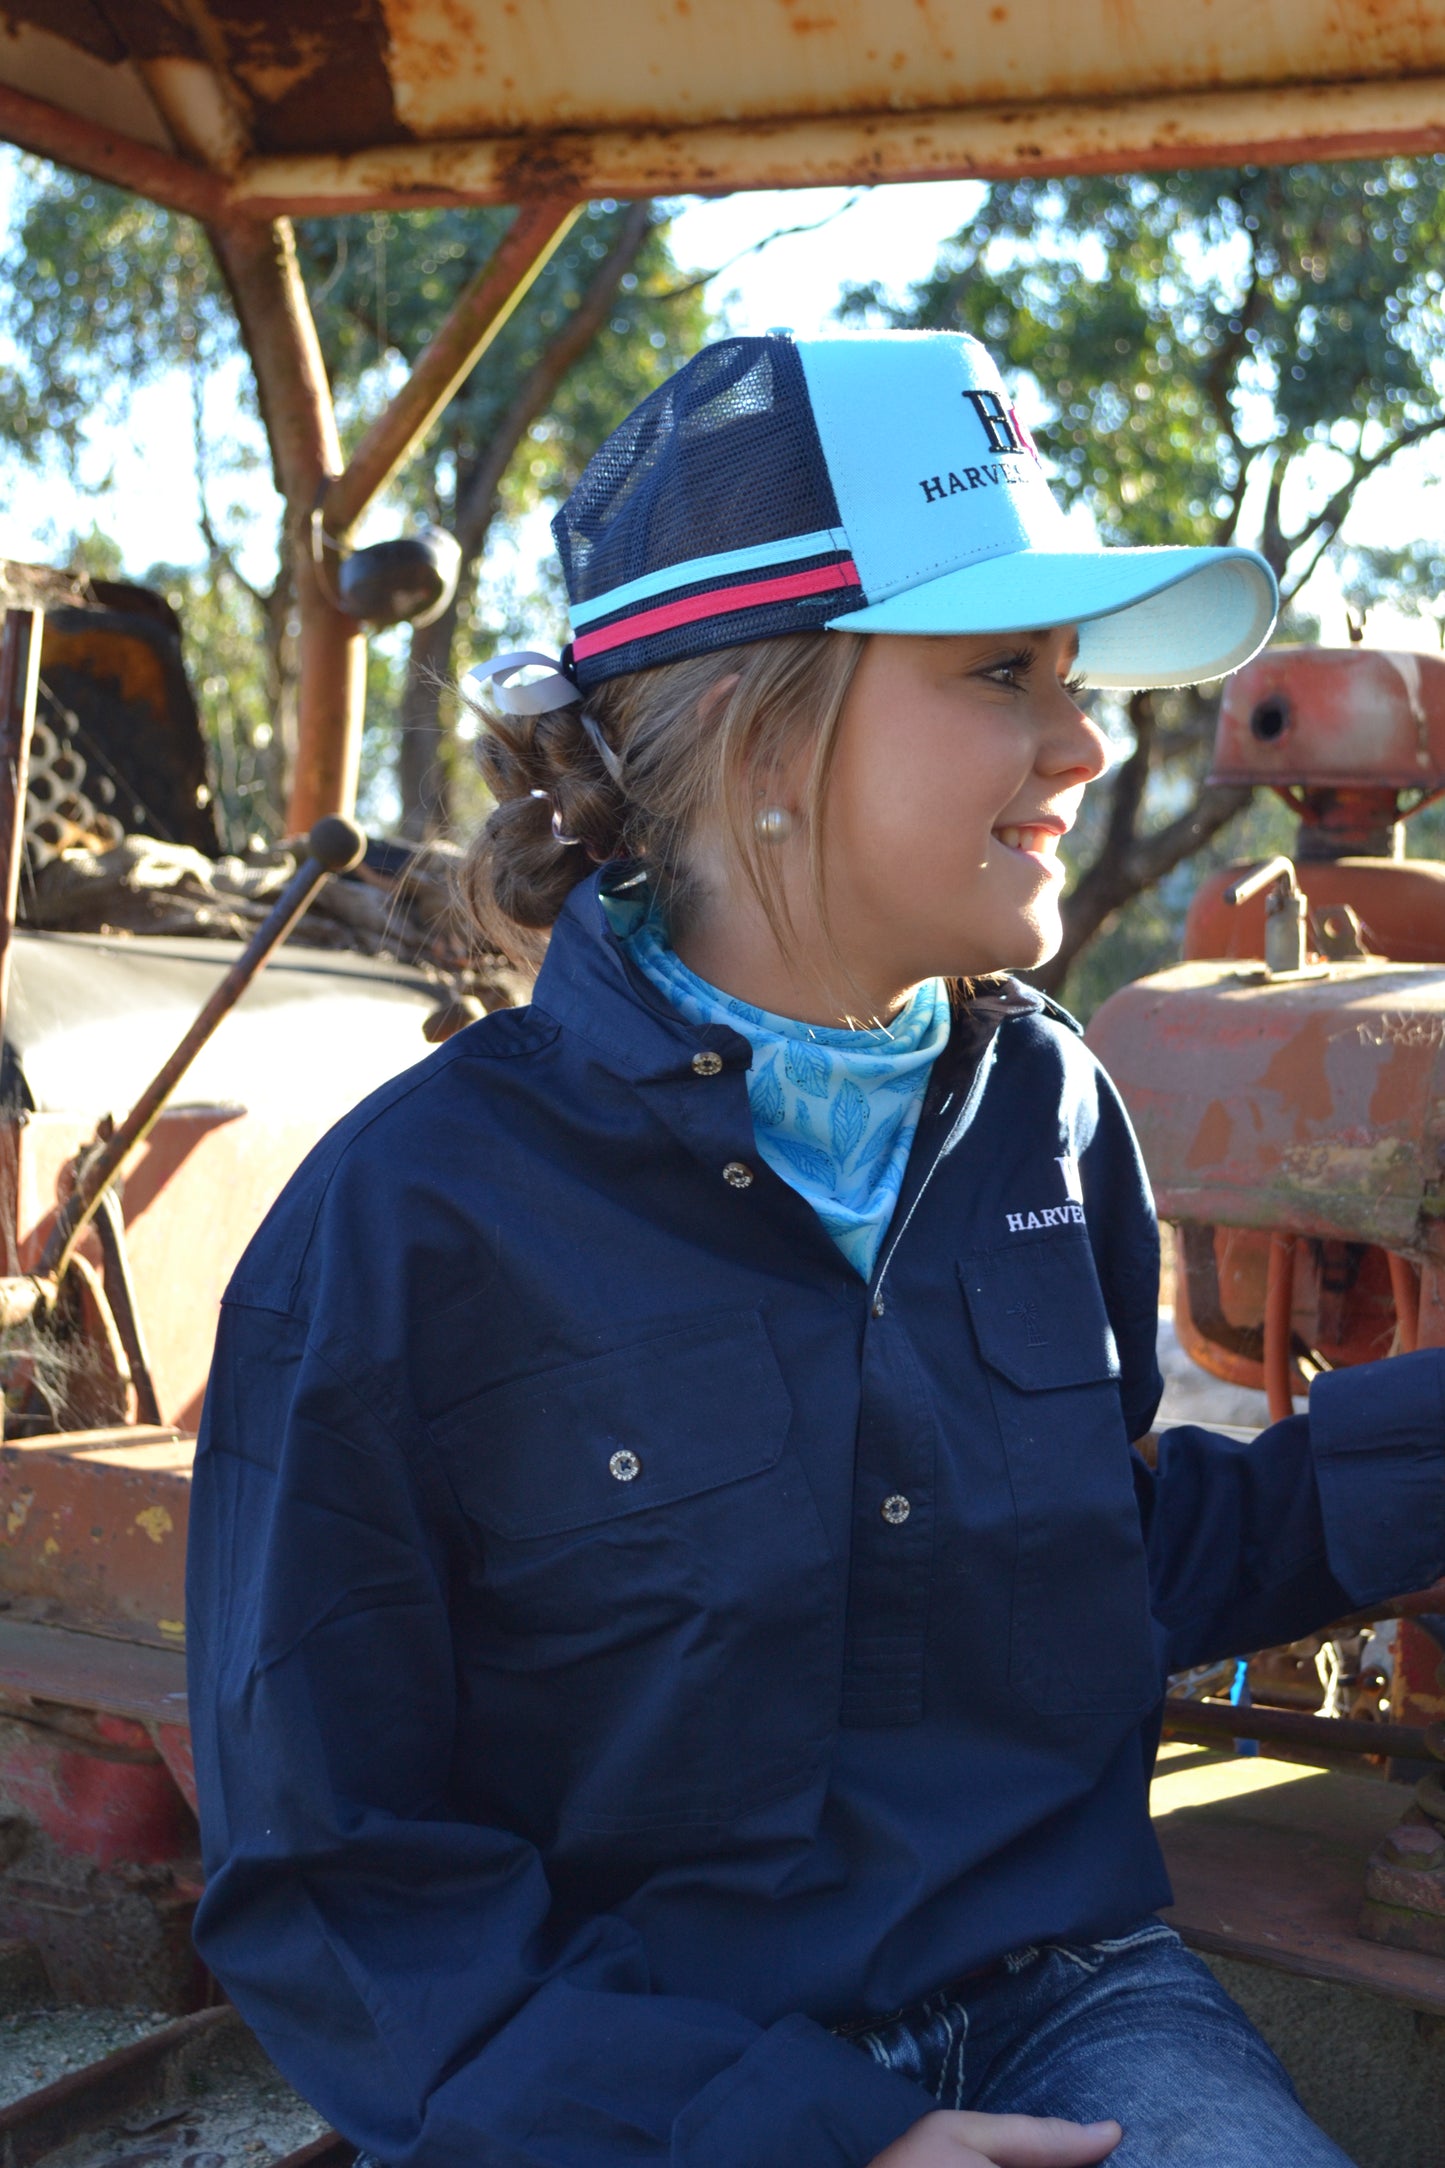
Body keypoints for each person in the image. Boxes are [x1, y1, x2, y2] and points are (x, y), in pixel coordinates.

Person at [186, 331, 1445, 2168]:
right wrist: (793, 2136)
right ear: (758, 725)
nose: (1085, 740)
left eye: (1072, 675)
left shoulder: (1049, 1113)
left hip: (1060, 1994)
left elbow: (1081, 1569)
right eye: (1002, 671)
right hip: (633, 2065)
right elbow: (336, 1886)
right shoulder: (405, 1227)